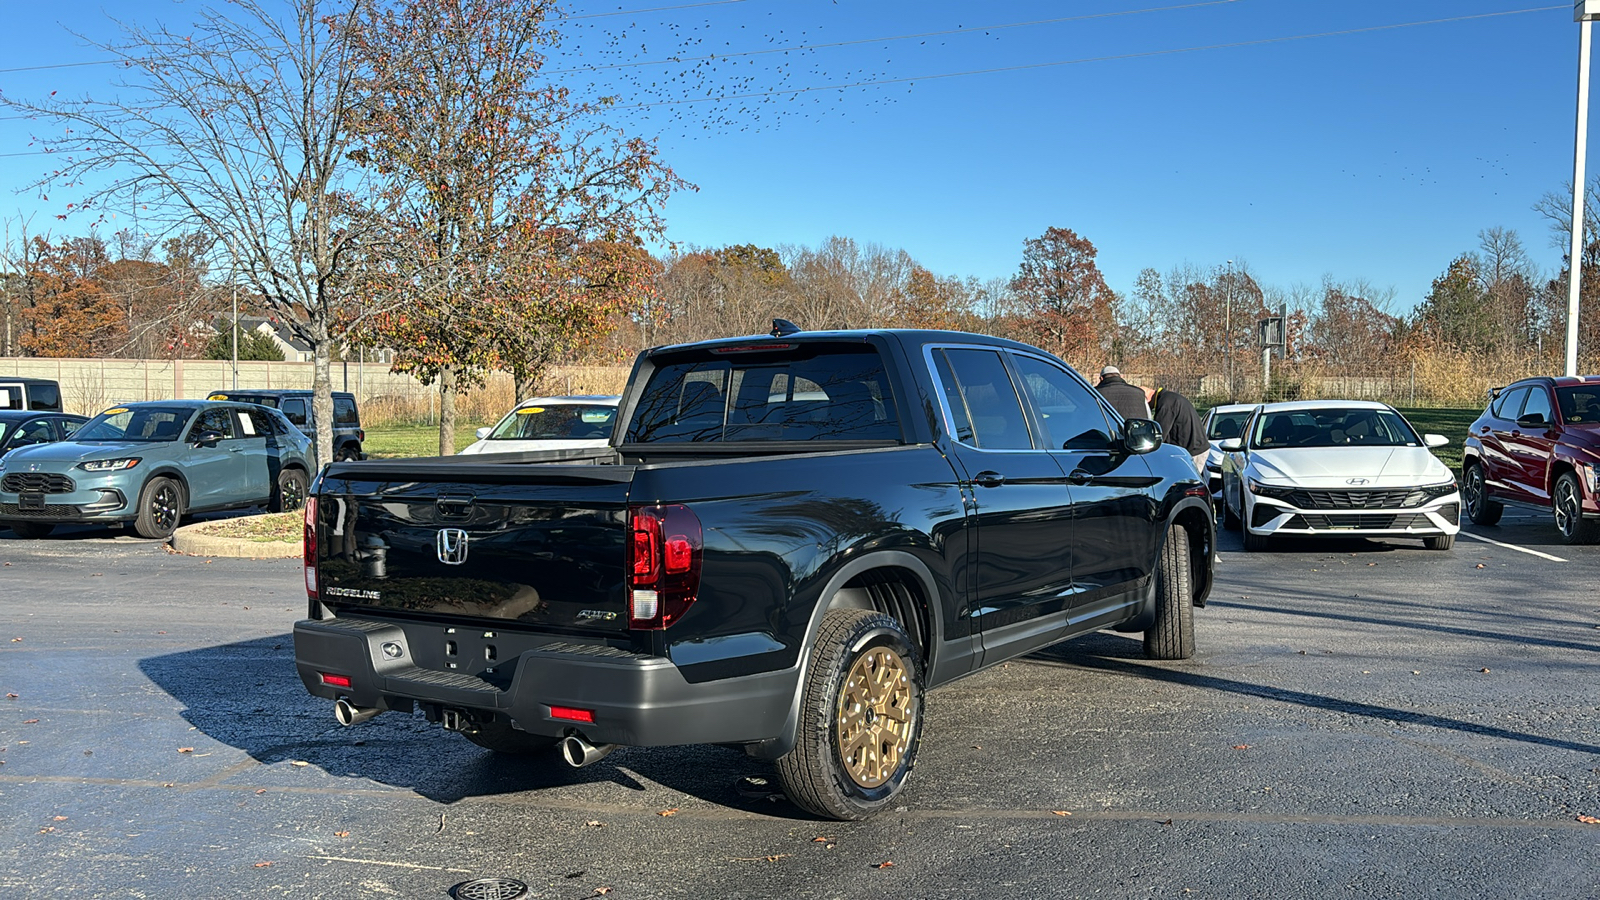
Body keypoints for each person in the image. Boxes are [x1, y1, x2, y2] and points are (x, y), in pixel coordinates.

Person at [1143, 384, 1209, 474]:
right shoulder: (1168, 398)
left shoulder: (1165, 403)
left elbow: (1159, 434)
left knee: (1188, 484)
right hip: (1193, 448)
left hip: (1194, 451)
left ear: (1146, 398)